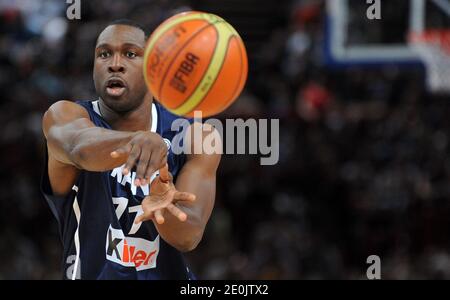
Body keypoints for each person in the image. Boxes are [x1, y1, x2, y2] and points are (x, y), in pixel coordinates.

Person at [40, 19, 221, 280]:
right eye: (104, 54)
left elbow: (189, 237)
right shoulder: (64, 115)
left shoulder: (196, 135)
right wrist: (137, 141)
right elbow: (79, 148)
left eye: (130, 53)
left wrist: (163, 206)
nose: (115, 63)